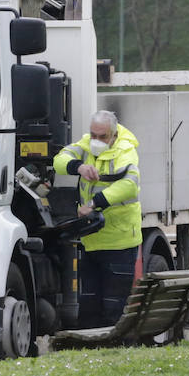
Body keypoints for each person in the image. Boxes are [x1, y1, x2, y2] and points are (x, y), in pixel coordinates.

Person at [53, 110, 141, 327]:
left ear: (113, 135)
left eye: (102, 137)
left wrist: (94, 203)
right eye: (94, 135)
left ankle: (114, 352)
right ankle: (91, 353)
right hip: (91, 241)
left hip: (119, 241)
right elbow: (59, 160)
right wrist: (79, 167)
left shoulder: (125, 151)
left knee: (113, 309)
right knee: (88, 308)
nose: (96, 141)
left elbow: (130, 185)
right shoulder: (85, 145)